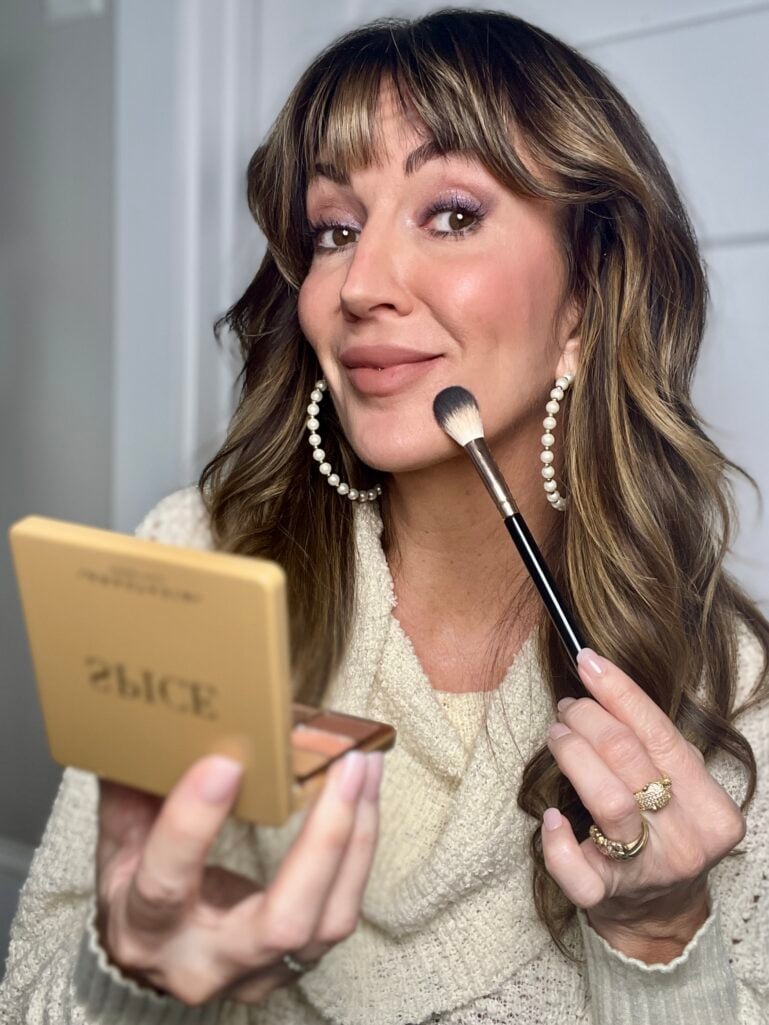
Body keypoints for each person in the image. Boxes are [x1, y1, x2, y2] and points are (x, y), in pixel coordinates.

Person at [1, 8, 768, 1024]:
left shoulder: (727, 686)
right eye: (334, 230)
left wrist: (659, 940)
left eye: (449, 214)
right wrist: (132, 973)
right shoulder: (196, 561)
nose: (359, 286)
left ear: (584, 297)